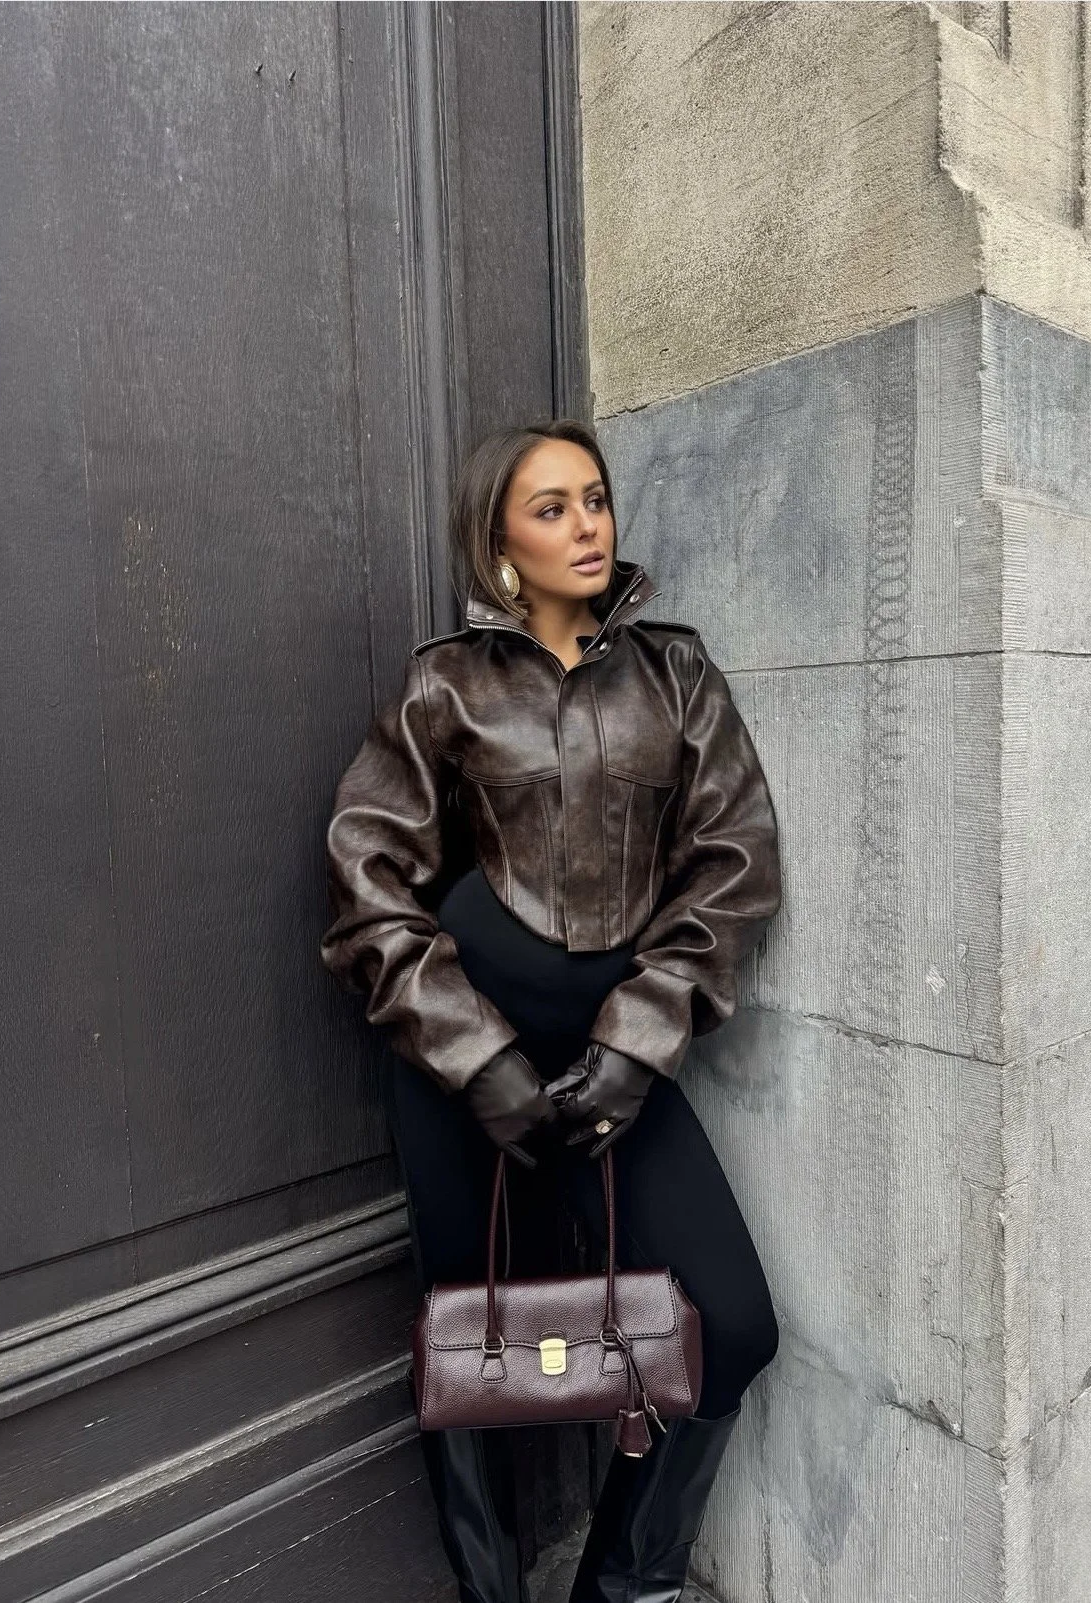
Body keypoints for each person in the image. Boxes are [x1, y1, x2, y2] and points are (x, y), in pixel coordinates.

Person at [319, 418, 784, 1603]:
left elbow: (733, 866)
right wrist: (476, 1061)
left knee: (732, 1325)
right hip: (457, 1056)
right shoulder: (445, 682)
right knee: (467, 1351)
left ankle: (622, 1586)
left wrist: (636, 1044)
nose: (586, 526)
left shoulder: (676, 674)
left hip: (610, 1059)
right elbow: (368, 882)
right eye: (550, 508)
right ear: (498, 547)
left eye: (594, 499)